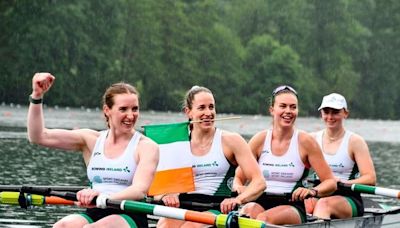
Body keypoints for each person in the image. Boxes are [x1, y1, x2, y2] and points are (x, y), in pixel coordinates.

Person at [27, 72, 159, 228]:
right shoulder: (90, 140)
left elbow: (139, 190)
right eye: (123, 109)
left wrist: (104, 197)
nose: (130, 116)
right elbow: (39, 136)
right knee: (62, 226)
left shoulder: (146, 146)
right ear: (107, 110)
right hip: (95, 210)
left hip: (129, 213)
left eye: (135, 109)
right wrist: (37, 96)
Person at [157, 86, 266, 228]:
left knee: (190, 227)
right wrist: (166, 195)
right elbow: (157, 190)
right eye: (201, 108)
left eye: (211, 107)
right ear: (188, 112)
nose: (208, 113)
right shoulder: (176, 142)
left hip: (218, 208)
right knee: (164, 225)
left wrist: (238, 200)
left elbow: (259, 182)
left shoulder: (231, 140)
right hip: (184, 205)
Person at [234, 85, 337, 225]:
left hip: (292, 204)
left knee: (263, 220)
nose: (288, 111)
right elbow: (238, 177)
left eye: (293, 107)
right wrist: (239, 187)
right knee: (246, 214)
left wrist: (312, 191)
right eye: (283, 106)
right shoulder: (259, 140)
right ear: (272, 110)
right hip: (260, 201)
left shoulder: (306, 141)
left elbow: (330, 182)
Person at [306, 93, 376, 219]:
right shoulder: (311, 139)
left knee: (324, 205)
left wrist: (343, 182)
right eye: (326, 112)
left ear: (345, 114)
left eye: (335, 112)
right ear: (321, 113)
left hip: (348, 197)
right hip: (319, 192)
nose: (330, 117)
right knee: (303, 206)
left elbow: (370, 179)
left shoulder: (355, 142)